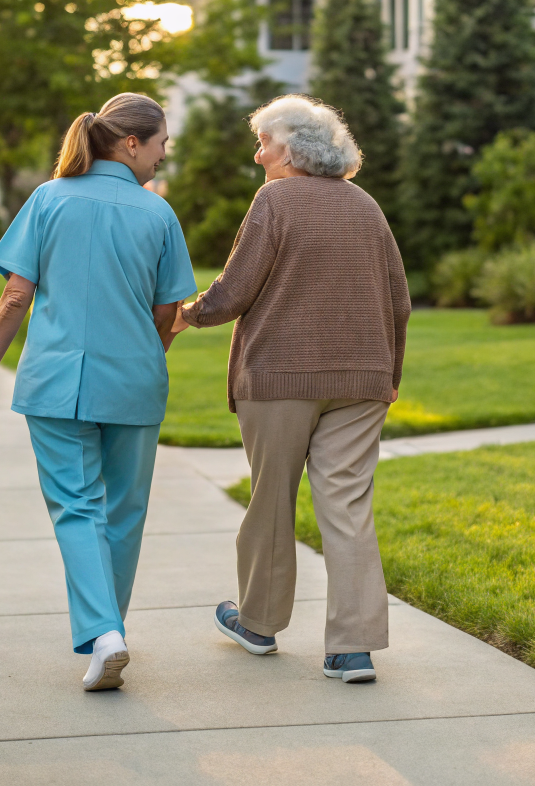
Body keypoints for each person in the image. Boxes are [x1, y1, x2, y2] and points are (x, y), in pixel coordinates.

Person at [173, 95, 410, 684]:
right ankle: (352, 649)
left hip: (278, 378)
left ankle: (258, 624)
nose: (259, 157)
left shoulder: (275, 201)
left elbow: (235, 288)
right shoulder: (366, 206)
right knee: (349, 509)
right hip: (362, 383)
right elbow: (398, 302)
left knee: (271, 499)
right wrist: (387, 379)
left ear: (297, 148)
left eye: (266, 144)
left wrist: (186, 315)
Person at [0, 93, 196, 692]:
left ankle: (105, 633)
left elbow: (16, 296)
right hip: (136, 381)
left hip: (56, 382)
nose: (163, 155)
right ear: (131, 143)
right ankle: (109, 633)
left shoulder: (47, 199)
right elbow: (168, 309)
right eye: (161, 144)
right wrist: (146, 358)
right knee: (124, 512)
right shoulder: (158, 215)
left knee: (77, 507)